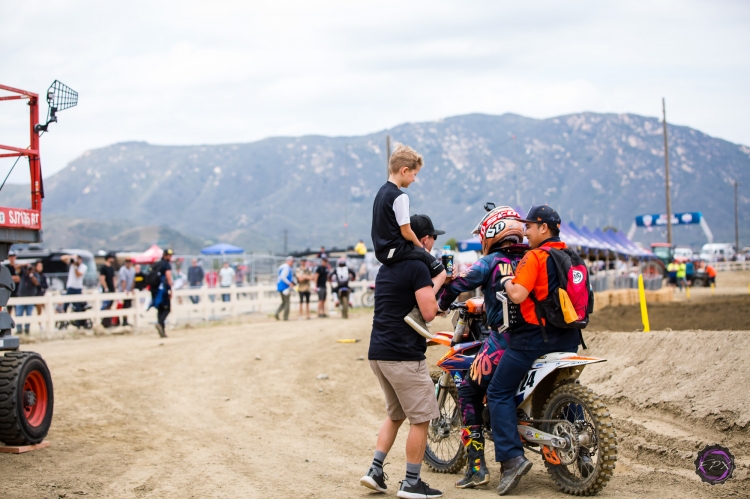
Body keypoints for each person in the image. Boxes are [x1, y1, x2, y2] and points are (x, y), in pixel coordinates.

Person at [490, 205, 581, 496]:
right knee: (566, 386)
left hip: (533, 339)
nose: (525, 232)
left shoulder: (535, 257)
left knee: (498, 392)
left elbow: (517, 294)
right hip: (569, 338)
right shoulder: (571, 255)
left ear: (544, 228)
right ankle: (584, 448)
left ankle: (512, 459)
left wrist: (505, 280)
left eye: (529, 226)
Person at [435, 207, 528, 489]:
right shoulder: (533, 257)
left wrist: (440, 304)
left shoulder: (491, 261)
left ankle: (476, 467)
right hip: (544, 336)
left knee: (466, 387)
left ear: (491, 232)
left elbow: (460, 284)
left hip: (506, 340)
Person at [359, 217, 443, 499]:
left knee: (395, 415)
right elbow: (429, 312)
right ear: (424, 239)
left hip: (379, 352)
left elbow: (407, 301)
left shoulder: (387, 266)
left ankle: (375, 470)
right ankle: (411, 482)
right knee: (421, 418)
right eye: (432, 238)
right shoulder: (419, 266)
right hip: (403, 355)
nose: (433, 244)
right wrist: (441, 278)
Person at [371, 144, 446, 337]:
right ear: (404, 170)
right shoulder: (400, 197)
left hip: (382, 251)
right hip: (397, 248)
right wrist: (421, 248)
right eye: (414, 174)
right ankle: (418, 312)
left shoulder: (380, 193)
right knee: (440, 271)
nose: (414, 179)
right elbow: (406, 231)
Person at [150, 249, 174, 338]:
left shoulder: (157, 264)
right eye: (169, 255)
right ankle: (160, 323)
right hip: (162, 290)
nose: (170, 257)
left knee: (160, 309)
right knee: (167, 309)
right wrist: (170, 289)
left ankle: (162, 331)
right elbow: (168, 277)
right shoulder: (166, 265)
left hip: (154, 290)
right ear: (165, 255)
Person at [16, 262, 40, 335]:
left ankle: (27, 329)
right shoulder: (23, 273)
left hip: (30, 297)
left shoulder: (35, 274)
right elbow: (16, 267)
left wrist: (31, 274)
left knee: (29, 314)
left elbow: (36, 283)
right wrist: (25, 265)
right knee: (19, 314)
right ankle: (19, 329)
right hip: (21, 296)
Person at [99, 253, 116, 327]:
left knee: (110, 305)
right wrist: (105, 288)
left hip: (112, 289)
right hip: (106, 289)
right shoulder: (103, 268)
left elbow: (113, 278)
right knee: (106, 305)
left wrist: (114, 287)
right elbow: (102, 279)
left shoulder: (111, 268)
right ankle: (105, 322)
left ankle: (108, 321)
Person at [275, 256, 295, 321]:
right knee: (287, 303)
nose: (293, 263)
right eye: (292, 261)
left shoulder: (282, 266)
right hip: (285, 287)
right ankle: (285, 317)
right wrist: (290, 283)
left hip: (280, 287)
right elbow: (283, 277)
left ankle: (277, 313)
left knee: (284, 302)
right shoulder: (286, 268)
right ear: (288, 261)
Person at [118, 258, 136, 326]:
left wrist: (132, 289)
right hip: (123, 291)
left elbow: (133, 281)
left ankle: (126, 320)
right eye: (127, 262)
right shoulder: (123, 270)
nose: (128, 263)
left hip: (129, 290)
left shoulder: (132, 270)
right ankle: (122, 321)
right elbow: (123, 280)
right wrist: (124, 289)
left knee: (127, 305)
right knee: (122, 306)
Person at [35, 261, 48, 332]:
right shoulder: (34, 275)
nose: (40, 267)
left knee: (47, 310)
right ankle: (40, 326)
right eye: (39, 266)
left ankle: (47, 326)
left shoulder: (43, 275)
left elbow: (45, 285)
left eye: (41, 266)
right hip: (37, 295)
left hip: (43, 295)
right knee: (39, 312)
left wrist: (39, 285)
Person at [5, 250, 19, 316]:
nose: (12, 258)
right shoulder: (6, 267)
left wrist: (10, 277)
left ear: (15, 257)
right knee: (9, 310)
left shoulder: (18, 267)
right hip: (9, 292)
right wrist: (13, 278)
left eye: (13, 256)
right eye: (10, 256)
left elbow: (19, 279)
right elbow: (6, 278)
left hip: (17, 292)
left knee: (18, 311)